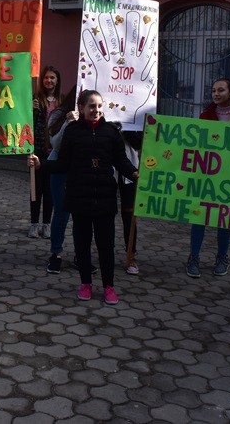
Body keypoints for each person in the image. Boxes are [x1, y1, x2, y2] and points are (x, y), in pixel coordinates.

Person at [29, 90, 138, 305]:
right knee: (82, 243)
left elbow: (121, 160)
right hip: (79, 197)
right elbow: (63, 163)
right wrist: (42, 164)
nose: (96, 110)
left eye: (99, 106)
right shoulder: (72, 132)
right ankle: (85, 283)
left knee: (106, 245)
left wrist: (134, 173)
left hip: (105, 198)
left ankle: (108, 286)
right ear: (81, 107)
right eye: (91, 106)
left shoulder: (111, 132)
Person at [186, 77, 230, 278]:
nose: (216, 94)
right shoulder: (205, 116)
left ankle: (222, 257)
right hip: (207, 174)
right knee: (199, 215)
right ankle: (193, 257)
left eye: (221, 90)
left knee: (225, 217)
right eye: (214, 90)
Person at [28, 67, 65, 239]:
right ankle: (34, 225)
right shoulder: (35, 99)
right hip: (38, 151)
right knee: (36, 190)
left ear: (57, 80)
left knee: (50, 191)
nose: (49, 81)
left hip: (55, 153)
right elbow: (28, 125)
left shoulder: (62, 101)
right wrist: (32, 111)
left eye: (52, 78)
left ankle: (47, 225)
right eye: (46, 78)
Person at [45, 87, 77, 274]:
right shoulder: (58, 114)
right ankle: (56, 253)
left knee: (82, 214)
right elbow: (55, 143)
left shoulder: (93, 115)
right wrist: (67, 122)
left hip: (81, 169)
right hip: (59, 167)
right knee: (61, 212)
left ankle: (81, 254)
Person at [119, 130, 143, 275]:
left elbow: (139, 142)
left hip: (129, 169)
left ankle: (131, 256)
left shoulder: (135, 122)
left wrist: (125, 131)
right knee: (103, 214)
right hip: (105, 168)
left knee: (129, 216)